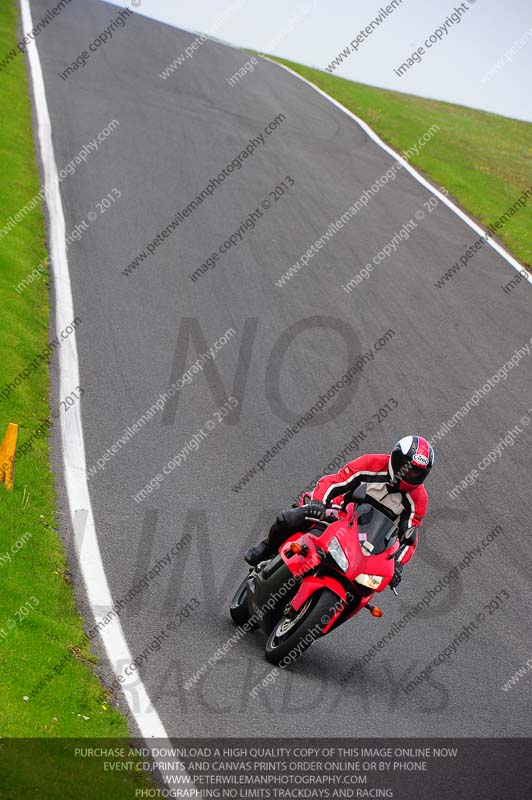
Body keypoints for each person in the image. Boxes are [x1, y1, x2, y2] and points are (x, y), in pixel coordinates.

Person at [244, 435, 434, 590]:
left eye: (417, 473)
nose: (410, 475)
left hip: (368, 540)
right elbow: (335, 481)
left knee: (366, 584)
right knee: (287, 519)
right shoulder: (371, 463)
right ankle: (267, 549)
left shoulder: (419, 498)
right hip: (339, 512)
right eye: (408, 468)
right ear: (396, 458)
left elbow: (410, 535)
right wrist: (319, 503)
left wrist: (398, 565)